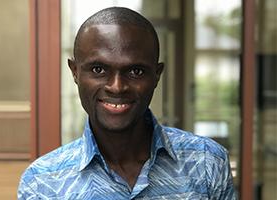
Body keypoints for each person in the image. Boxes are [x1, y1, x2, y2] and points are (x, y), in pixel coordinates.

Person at [18, 7, 236, 199]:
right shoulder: (43, 183)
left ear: (156, 75)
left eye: (135, 71)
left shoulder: (207, 163)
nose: (117, 86)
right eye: (98, 70)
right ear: (75, 72)